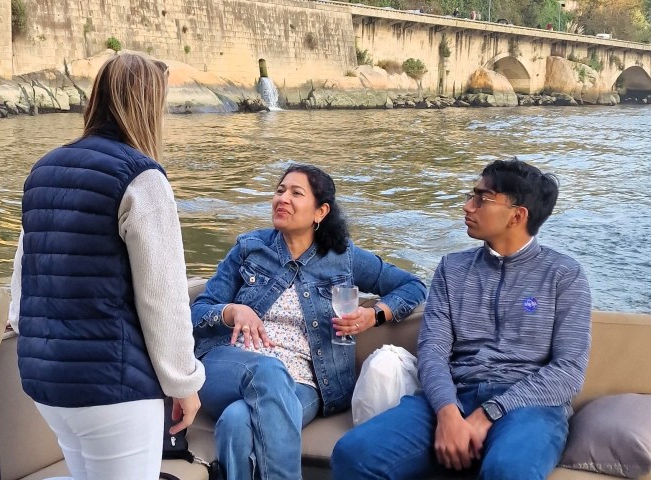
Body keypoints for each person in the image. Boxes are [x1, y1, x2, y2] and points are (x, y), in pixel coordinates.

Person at [8, 53, 205, 480]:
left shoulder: (43, 170)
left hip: (47, 382)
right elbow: (162, 297)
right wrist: (184, 384)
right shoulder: (142, 178)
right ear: (148, 106)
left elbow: (23, 279)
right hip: (111, 387)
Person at [332, 159, 592, 480]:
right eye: (472, 195)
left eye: (482, 199)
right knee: (354, 454)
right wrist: (447, 413)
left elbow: (567, 371)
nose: (468, 206)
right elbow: (433, 351)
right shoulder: (452, 269)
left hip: (529, 406)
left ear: (517, 215)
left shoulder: (563, 275)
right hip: (453, 395)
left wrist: (489, 414)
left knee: (508, 471)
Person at [191, 163, 427, 480]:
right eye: (279, 190)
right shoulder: (250, 248)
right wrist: (231, 311)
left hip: (303, 382)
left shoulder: (343, 256)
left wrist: (374, 314)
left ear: (320, 211)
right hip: (229, 365)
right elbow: (198, 311)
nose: (282, 198)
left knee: (236, 421)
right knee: (267, 369)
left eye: (296, 193)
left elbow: (414, 285)